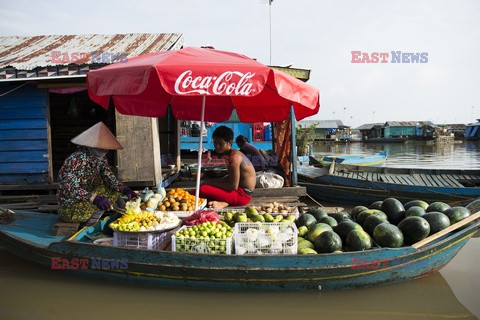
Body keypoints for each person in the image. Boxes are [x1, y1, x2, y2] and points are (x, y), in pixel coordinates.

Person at [56, 122, 138, 225]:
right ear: (93, 146)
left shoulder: (100, 159)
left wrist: (125, 189)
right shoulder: (75, 160)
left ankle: (124, 210)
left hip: (86, 201)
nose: (105, 151)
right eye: (102, 149)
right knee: (105, 192)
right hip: (70, 208)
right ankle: (91, 223)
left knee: (112, 188)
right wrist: (94, 198)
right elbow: (69, 188)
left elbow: (109, 178)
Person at [199, 126, 256, 209]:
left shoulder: (234, 156)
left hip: (242, 196)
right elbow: (229, 179)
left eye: (220, 143)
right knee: (204, 188)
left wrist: (209, 182)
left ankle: (226, 202)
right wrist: (210, 182)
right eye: (215, 143)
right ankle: (224, 202)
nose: (217, 146)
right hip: (237, 191)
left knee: (203, 190)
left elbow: (233, 186)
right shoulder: (229, 155)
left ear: (229, 143)